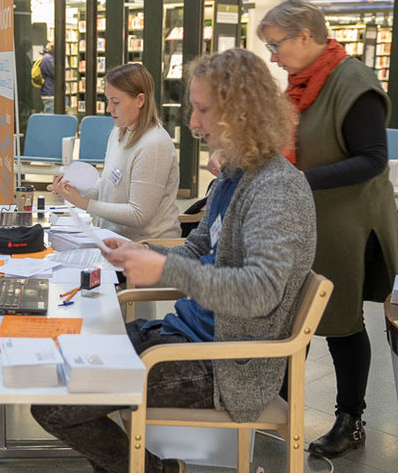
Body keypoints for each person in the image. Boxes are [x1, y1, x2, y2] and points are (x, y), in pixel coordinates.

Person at [31, 48, 317, 473]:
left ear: (240, 114)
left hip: (224, 368)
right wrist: (141, 253)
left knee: (55, 403)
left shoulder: (277, 190)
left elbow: (261, 292)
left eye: (202, 110)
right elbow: (198, 248)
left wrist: (164, 268)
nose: (193, 122)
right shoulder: (236, 177)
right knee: (62, 370)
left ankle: (153, 470)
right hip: (184, 338)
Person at [258, 0, 398, 459]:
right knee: (291, 316)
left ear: (305, 36)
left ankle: (350, 419)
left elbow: (372, 159)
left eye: (275, 45)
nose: (273, 57)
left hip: (346, 224)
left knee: (340, 322)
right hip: (307, 219)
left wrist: (300, 180)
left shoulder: (352, 82)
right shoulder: (301, 84)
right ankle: (276, 403)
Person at [49, 63, 180, 241]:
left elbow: (139, 214)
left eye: (116, 102)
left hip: (147, 247)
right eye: (108, 100)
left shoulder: (154, 145)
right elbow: (109, 188)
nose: (109, 108)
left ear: (140, 100)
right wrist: (73, 190)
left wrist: (84, 203)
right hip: (115, 240)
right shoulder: (119, 132)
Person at [39, 43, 55, 113]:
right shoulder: (48, 58)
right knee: (50, 116)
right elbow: (55, 73)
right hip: (49, 92)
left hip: (49, 91)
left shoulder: (47, 57)